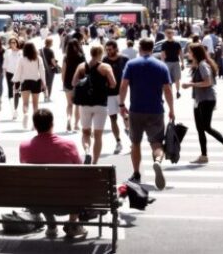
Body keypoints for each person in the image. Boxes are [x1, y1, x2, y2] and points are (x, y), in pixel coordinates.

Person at [19, 108, 86, 240]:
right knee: (77, 182)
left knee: (40, 186)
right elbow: (80, 170)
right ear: (52, 124)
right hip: (68, 201)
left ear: (35, 125)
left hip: (37, 201)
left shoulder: (24, 146)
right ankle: (73, 224)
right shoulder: (69, 144)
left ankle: (51, 224)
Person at [118, 38, 175, 189]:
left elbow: (124, 85)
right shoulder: (161, 66)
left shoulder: (131, 64)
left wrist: (121, 104)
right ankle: (157, 161)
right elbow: (168, 90)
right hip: (156, 110)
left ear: (140, 48)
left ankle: (136, 173)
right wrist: (171, 109)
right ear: (152, 48)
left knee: (135, 143)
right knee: (156, 143)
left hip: (136, 110)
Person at [182, 43, 223, 165]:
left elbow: (208, 82)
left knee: (206, 127)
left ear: (195, 53)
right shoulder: (199, 64)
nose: (188, 54)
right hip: (199, 99)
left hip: (206, 99)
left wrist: (191, 84)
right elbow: (202, 80)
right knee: (200, 129)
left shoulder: (202, 64)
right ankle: (204, 155)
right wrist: (192, 81)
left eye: (190, 52)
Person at [71, 44, 116, 164]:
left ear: (90, 53)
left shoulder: (82, 66)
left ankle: (87, 152)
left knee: (85, 133)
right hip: (100, 104)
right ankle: (95, 162)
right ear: (101, 53)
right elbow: (113, 84)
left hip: (85, 104)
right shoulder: (105, 67)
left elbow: (74, 83)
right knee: (98, 136)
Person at [103, 40, 129, 155]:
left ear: (115, 48)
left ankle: (131, 137)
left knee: (126, 116)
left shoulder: (124, 59)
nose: (108, 52)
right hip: (109, 94)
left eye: (110, 49)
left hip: (123, 93)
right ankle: (118, 142)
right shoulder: (104, 60)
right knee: (113, 119)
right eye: (107, 50)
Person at [13, 41, 46, 129]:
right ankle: (34, 124)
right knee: (35, 104)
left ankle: (26, 114)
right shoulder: (38, 58)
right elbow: (42, 70)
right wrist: (44, 82)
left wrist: (15, 82)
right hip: (36, 81)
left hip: (25, 81)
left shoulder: (22, 59)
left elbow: (18, 71)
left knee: (25, 103)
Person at [61, 38, 84, 132]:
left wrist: (63, 82)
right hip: (78, 83)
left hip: (67, 82)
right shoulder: (81, 57)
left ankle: (68, 119)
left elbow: (63, 71)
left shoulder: (66, 58)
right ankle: (76, 125)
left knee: (69, 104)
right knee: (77, 105)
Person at [160, 29, 184, 99]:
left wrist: (182, 63)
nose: (169, 35)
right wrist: (162, 64)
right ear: (166, 34)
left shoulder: (177, 43)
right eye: (168, 33)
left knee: (177, 78)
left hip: (176, 62)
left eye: (170, 33)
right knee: (168, 79)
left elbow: (180, 53)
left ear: (173, 34)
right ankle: (170, 92)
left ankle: (178, 91)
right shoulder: (164, 44)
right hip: (167, 63)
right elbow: (163, 54)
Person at [3, 37, 22, 119]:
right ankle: (13, 111)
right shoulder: (7, 52)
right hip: (9, 73)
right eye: (11, 42)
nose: (13, 44)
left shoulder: (21, 52)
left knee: (17, 91)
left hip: (18, 73)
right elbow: (5, 63)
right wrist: (4, 74)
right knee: (10, 90)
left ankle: (16, 108)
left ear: (17, 43)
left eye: (14, 42)